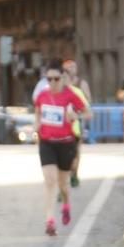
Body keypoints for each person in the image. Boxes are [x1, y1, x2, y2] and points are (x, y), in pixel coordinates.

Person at [34, 58, 91, 237]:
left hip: (66, 142)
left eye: (56, 79)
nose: (52, 83)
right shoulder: (42, 96)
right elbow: (37, 114)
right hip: (47, 143)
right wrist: (36, 126)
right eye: (49, 79)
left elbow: (89, 113)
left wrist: (75, 116)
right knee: (49, 181)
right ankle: (49, 220)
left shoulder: (71, 94)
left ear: (63, 78)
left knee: (63, 184)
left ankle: (66, 203)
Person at [62, 60, 92, 188]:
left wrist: (78, 110)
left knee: (75, 152)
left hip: (77, 122)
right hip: (60, 126)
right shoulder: (56, 88)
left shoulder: (81, 84)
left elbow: (88, 102)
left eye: (73, 67)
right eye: (68, 67)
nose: (71, 69)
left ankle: (74, 173)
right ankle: (63, 180)